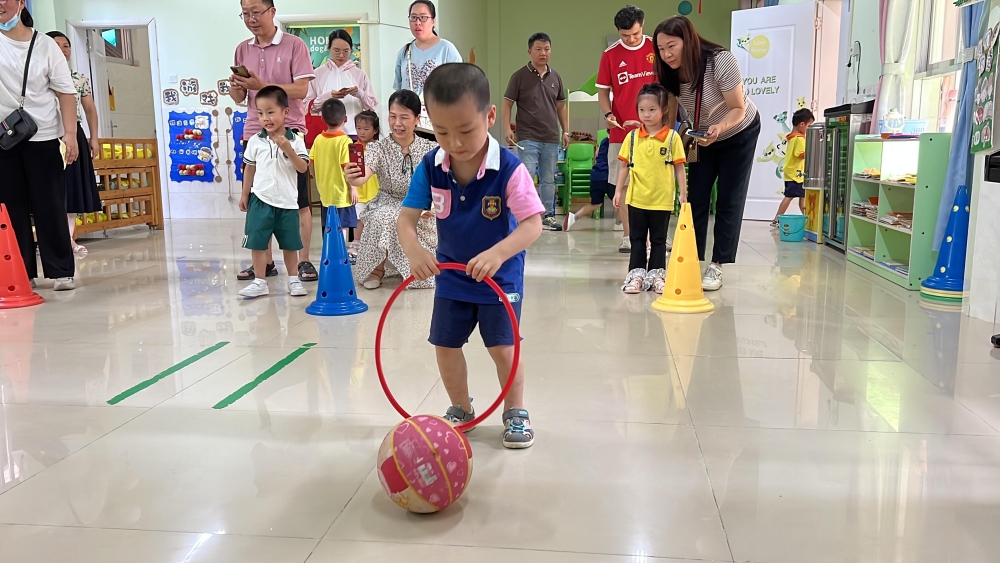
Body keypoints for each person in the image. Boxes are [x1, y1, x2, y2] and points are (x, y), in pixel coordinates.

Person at [399, 63, 544, 449]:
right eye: (442, 132)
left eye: (465, 130)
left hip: (500, 277)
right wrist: (414, 250)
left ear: (490, 116)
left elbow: (532, 225)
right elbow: (406, 219)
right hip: (452, 274)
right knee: (445, 346)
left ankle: (514, 411)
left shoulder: (510, 169)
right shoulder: (431, 166)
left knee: (502, 347)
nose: (455, 142)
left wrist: (498, 253)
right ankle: (461, 408)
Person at [653, 15, 760, 291]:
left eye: (671, 47)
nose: (666, 55)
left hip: (738, 131)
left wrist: (719, 128)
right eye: (661, 49)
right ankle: (692, 259)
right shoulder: (670, 70)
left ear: (687, 41)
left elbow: (737, 108)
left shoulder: (720, 60)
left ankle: (717, 265)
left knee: (728, 198)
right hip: (700, 136)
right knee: (695, 196)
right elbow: (674, 106)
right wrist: (671, 138)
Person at [230, 0, 317, 283]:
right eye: (246, 13)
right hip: (254, 131)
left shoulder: (294, 45)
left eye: (256, 12)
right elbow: (241, 99)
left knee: (299, 201)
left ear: (272, 12)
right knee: (260, 200)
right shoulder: (243, 48)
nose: (251, 18)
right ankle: (264, 264)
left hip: (289, 129)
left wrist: (262, 85)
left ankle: (303, 261)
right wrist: (236, 89)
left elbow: (302, 89)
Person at [0, 2, 78, 291]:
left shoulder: (44, 44)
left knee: (50, 204)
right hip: (4, 139)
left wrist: (70, 134)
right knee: (10, 208)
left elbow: (65, 92)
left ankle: (61, 270)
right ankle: (21, 271)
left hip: (42, 135)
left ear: (21, 3)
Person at [344, 90, 438, 290]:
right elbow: (364, 174)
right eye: (392, 116)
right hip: (386, 201)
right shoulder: (379, 148)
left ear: (416, 119)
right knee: (385, 215)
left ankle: (412, 268)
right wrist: (353, 177)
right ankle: (376, 269)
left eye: (404, 117)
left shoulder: (430, 149)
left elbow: (441, 185)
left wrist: (431, 208)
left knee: (427, 279)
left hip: (420, 206)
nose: (397, 123)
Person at [613, 84, 686, 295]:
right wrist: (618, 191)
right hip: (637, 199)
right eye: (642, 110)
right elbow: (624, 166)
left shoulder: (673, 138)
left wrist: (683, 193)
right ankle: (636, 276)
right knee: (637, 239)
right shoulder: (632, 138)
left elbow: (679, 168)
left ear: (664, 109)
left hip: (662, 200)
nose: (646, 114)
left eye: (652, 109)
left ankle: (656, 276)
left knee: (659, 241)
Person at [238, 86, 310, 300]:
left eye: (270, 112)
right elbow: (249, 168)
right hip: (260, 200)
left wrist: (288, 148)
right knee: (257, 243)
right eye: (260, 113)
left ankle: (294, 279)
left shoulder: (296, 140)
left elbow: (303, 168)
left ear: (285, 113)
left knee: (290, 244)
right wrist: (245, 194)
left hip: (287, 202)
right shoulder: (254, 141)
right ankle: (260, 281)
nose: (265, 118)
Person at [597, 5, 656, 254]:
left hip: (654, 132)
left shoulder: (656, 48)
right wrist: (608, 114)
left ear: (642, 25)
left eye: (635, 33)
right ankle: (629, 236)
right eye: (625, 35)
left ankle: (655, 238)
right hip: (621, 133)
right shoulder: (610, 55)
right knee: (622, 186)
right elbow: (603, 92)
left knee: (653, 184)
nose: (631, 39)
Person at [502, 32, 569, 232]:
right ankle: (522, 217)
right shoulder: (519, 76)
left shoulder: (556, 76)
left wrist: (566, 131)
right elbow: (507, 105)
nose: (543, 53)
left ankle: (548, 215)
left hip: (550, 137)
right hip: (527, 137)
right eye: (538, 49)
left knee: (549, 178)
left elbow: (561, 107)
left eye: (547, 49)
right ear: (529, 51)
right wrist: (507, 128)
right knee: (526, 176)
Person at [47, 31, 101, 256]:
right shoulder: (39, 78)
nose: (63, 49)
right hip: (47, 134)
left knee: (72, 189)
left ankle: (68, 240)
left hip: (73, 134)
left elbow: (89, 109)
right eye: (57, 45)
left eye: (66, 45)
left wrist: (94, 138)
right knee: (52, 189)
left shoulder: (79, 79)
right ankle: (54, 241)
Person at [393, 0, 462, 135]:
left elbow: (459, 89)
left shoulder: (447, 49)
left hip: (439, 124)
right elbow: (399, 90)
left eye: (423, 17)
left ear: (433, 21)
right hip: (410, 125)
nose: (418, 22)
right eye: (413, 17)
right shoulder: (405, 52)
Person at [305, 29, 377, 138]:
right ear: (329, 49)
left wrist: (359, 94)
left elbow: (372, 107)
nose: (341, 55)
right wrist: (326, 97)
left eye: (346, 51)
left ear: (351, 50)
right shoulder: (317, 74)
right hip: (325, 133)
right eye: (337, 50)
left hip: (354, 133)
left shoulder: (360, 74)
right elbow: (307, 107)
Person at [309, 98, 357, 244]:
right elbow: (349, 168)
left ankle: (329, 253)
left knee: (328, 225)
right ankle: (340, 255)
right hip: (341, 194)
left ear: (322, 119)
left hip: (325, 193)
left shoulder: (318, 139)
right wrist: (353, 189)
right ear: (346, 119)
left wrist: (317, 176)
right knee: (342, 227)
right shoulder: (345, 141)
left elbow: (311, 163)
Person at [771, 108, 814, 227]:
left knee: (801, 197)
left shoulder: (792, 137)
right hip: (797, 174)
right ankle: (777, 219)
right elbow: (800, 154)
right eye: (809, 126)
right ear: (802, 124)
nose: (808, 129)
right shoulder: (800, 139)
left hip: (791, 173)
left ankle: (807, 219)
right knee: (790, 196)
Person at [564, 135, 615, 230]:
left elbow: (596, 155)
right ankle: (620, 223)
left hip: (596, 175)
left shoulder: (603, 141)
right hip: (607, 175)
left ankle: (573, 217)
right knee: (621, 202)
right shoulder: (616, 143)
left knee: (596, 203)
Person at [350, 110, 381, 260]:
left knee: (375, 220)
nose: (361, 132)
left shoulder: (380, 148)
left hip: (377, 192)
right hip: (361, 192)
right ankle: (356, 244)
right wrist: (353, 189)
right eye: (358, 128)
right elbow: (352, 172)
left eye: (366, 128)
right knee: (359, 219)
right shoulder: (355, 148)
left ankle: (374, 248)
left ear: (375, 130)